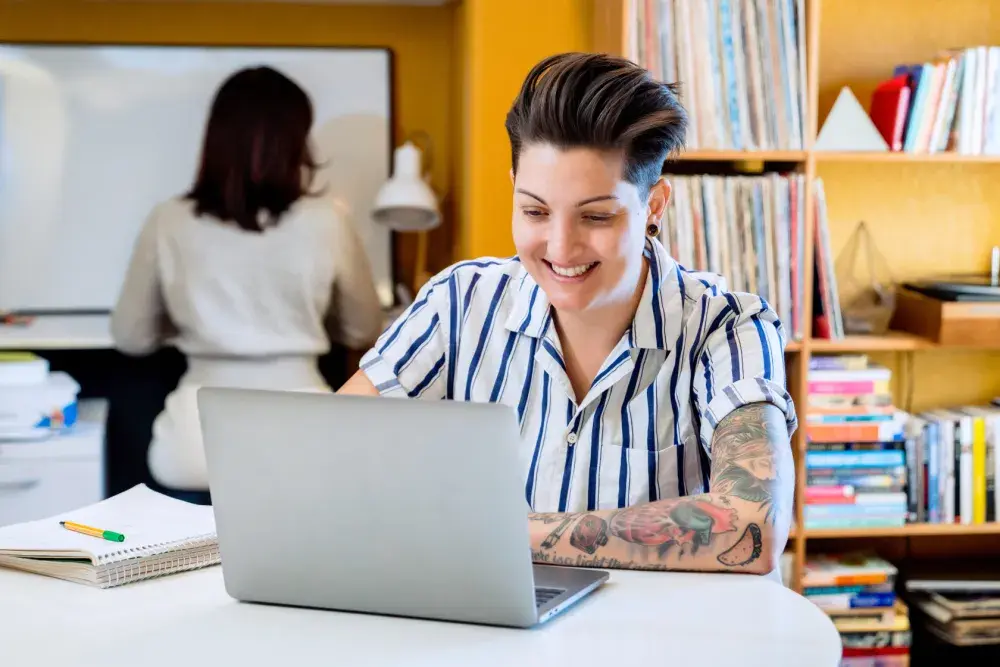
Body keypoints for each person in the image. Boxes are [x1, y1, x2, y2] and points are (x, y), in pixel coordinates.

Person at [339, 52, 796, 577]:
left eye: (596, 216)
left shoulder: (728, 330)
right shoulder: (459, 301)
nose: (560, 247)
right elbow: (331, 453)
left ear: (654, 206)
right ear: (512, 185)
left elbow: (752, 527)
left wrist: (494, 534)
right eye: (534, 211)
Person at [112, 66, 383, 496]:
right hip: (304, 440)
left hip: (195, 446)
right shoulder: (329, 220)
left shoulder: (169, 220)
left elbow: (130, 336)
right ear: (297, 141)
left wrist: (183, 322)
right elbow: (362, 328)